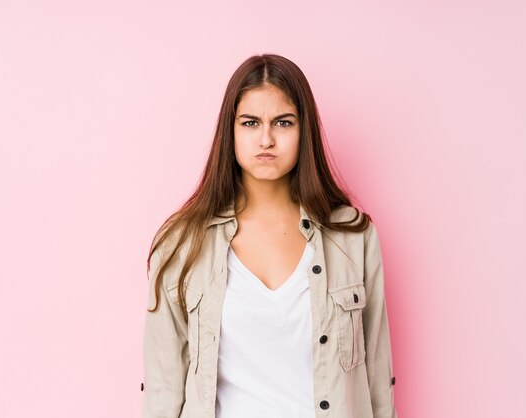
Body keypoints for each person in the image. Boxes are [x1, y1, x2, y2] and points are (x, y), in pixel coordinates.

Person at [141, 53, 398, 418]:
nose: (266, 138)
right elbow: (162, 391)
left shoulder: (353, 237)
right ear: (229, 131)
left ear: (303, 130)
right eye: (250, 122)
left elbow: (377, 381)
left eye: (282, 122)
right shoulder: (182, 243)